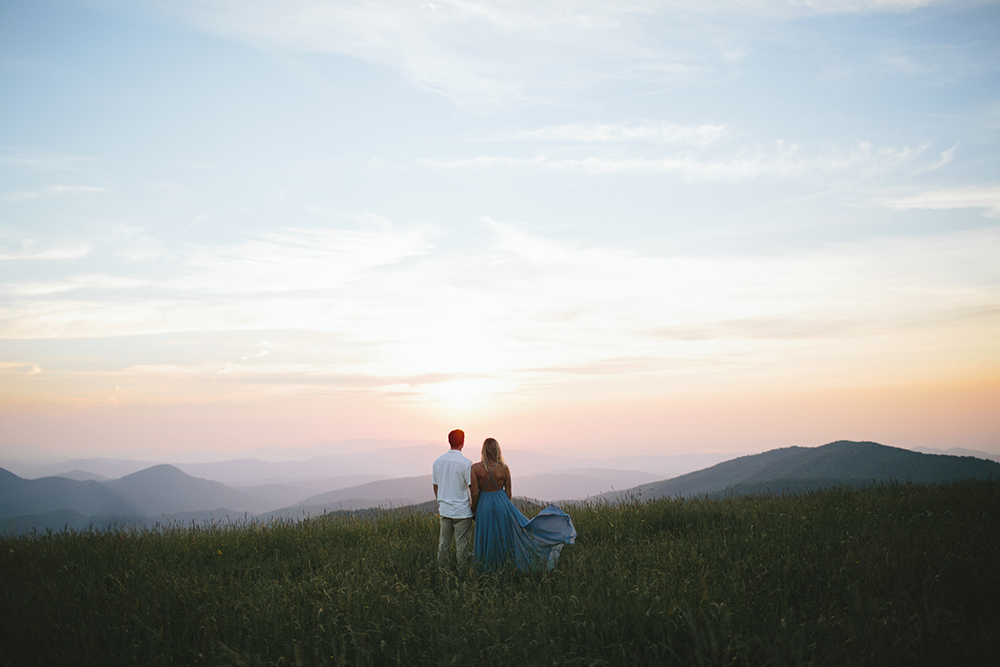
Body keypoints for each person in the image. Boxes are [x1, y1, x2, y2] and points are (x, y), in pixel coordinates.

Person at [471, 437, 576, 572]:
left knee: (485, 536)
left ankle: (485, 570)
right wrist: (503, 505)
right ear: (497, 450)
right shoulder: (504, 468)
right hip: (502, 505)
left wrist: (474, 508)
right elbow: (508, 493)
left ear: (483, 450)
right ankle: (505, 567)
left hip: (483, 505)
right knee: (503, 537)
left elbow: (474, 493)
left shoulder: (475, 468)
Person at [432, 429, 474, 570]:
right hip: (462, 512)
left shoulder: (438, 462)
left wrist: (441, 501)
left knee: (443, 545)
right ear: (463, 442)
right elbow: (472, 488)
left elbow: (435, 486)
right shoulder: (466, 463)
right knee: (462, 546)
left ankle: (442, 573)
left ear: (449, 441)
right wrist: (473, 507)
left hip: (445, 510)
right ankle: (463, 575)